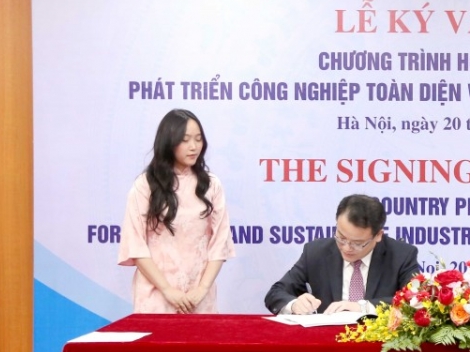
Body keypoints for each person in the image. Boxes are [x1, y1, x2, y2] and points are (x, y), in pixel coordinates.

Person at [118, 109, 234, 313]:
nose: (194, 146)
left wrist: (202, 289)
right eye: (185, 139)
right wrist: (167, 289)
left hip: (199, 297)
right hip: (157, 295)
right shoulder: (145, 185)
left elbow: (219, 243)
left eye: (198, 139)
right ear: (168, 142)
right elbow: (135, 245)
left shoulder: (211, 185)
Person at [264, 194, 420, 315]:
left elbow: (416, 299)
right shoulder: (316, 252)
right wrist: (294, 304)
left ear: (378, 235)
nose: (346, 248)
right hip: (326, 344)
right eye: (341, 237)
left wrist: (361, 307)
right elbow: (276, 293)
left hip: (377, 344)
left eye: (358, 243)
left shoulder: (401, 255)